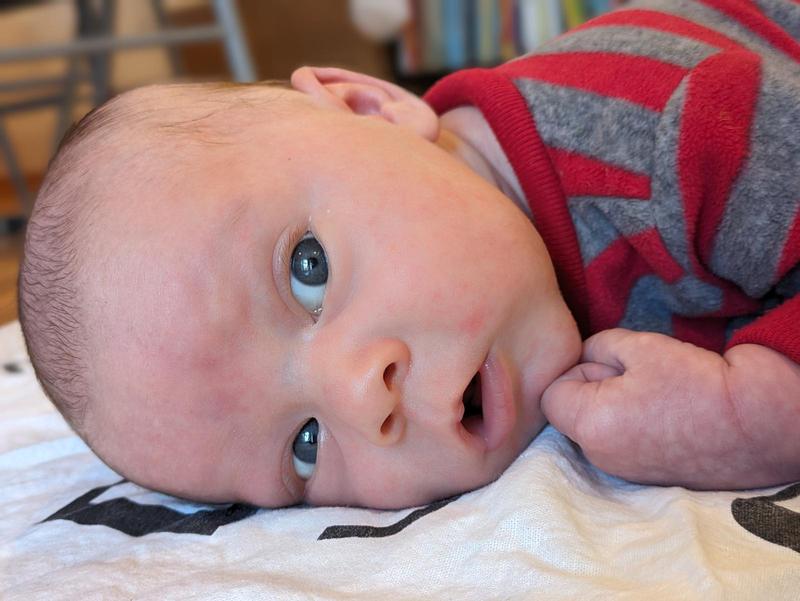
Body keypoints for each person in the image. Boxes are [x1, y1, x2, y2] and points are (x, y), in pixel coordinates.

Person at [18, 0, 800, 510]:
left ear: (373, 107)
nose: (364, 395)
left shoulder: (670, 130)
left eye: (309, 269)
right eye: (306, 444)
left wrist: (759, 409)